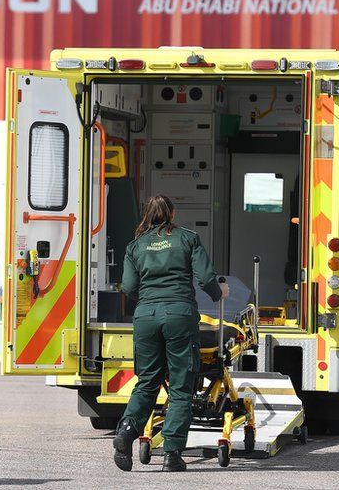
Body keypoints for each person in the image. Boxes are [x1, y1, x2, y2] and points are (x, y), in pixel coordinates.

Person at [112, 195, 229, 472]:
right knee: (180, 386)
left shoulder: (135, 246)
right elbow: (205, 277)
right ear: (172, 214)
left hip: (146, 317)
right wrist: (218, 293)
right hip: (179, 315)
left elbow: (128, 287)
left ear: (147, 215)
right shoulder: (188, 238)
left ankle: (127, 432)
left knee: (147, 382)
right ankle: (172, 454)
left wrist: (151, 299)